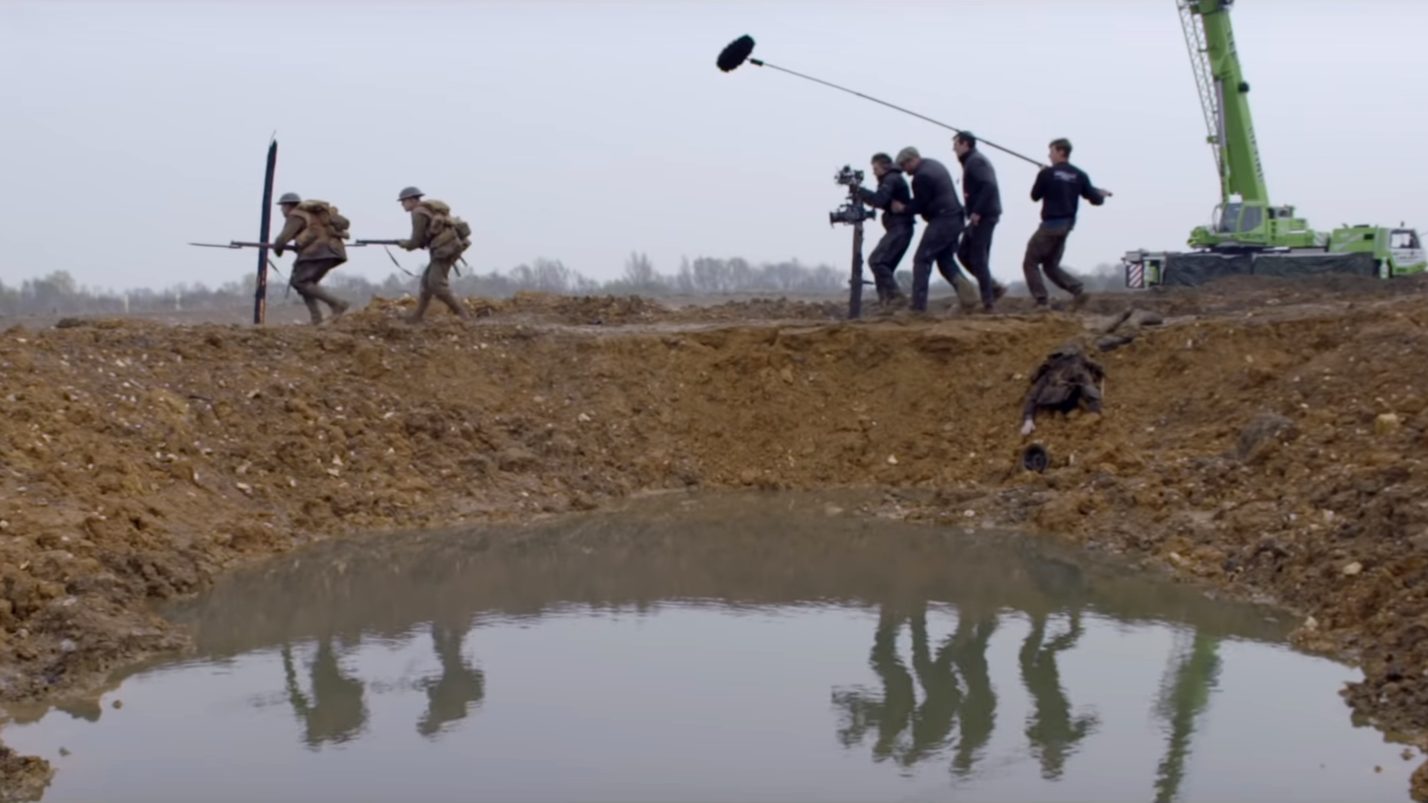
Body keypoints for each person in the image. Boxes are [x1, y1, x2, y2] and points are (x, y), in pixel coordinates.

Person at [1024, 138, 1112, 309]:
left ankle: (1041, 300)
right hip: (1066, 227)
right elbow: (1095, 200)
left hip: (1049, 226)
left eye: (1051, 151)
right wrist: (1100, 194)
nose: (1049, 155)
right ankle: (1077, 289)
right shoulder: (1079, 174)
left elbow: (1034, 196)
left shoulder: (1047, 174)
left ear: (1061, 152)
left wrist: (1041, 174)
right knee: (1050, 265)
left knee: (1030, 262)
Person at [890, 147, 979, 313]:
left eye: (904, 165)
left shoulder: (921, 177)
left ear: (912, 160)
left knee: (921, 260)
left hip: (943, 220)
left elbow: (920, 204)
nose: (904, 170)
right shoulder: (933, 164)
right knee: (945, 261)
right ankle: (970, 299)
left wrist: (902, 208)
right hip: (955, 218)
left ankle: (917, 307)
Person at [271, 192, 350, 325]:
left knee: (301, 283)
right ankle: (316, 318)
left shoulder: (296, 215)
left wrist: (277, 249)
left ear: (288, 206)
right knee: (305, 284)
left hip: (317, 252)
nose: (281, 210)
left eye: (282, 207)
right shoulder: (316, 216)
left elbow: (282, 239)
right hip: (334, 251)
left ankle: (338, 304)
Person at [396, 186, 472, 323]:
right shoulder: (426, 210)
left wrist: (404, 244)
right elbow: (425, 238)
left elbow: (416, 241)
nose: (402, 204)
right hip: (446, 248)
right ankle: (417, 317)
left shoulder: (418, 213)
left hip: (445, 250)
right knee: (426, 283)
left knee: (436, 284)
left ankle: (463, 315)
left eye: (404, 201)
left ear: (412, 200)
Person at [953, 133, 1008, 313]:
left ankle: (988, 302)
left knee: (978, 257)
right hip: (981, 214)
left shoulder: (976, 162)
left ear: (965, 144)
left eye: (956, 144)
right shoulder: (971, 161)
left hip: (985, 216)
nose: (954, 149)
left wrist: (977, 211)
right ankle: (992, 288)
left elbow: (989, 185)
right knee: (963, 253)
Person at [857, 153, 914, 307]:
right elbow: (882, 201)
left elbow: (878, 200)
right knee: (883, 265)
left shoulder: (891, 179)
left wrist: (859, 191)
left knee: (877, 261)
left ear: (884, 166)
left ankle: (896, 298)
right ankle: (886, 301)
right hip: (900, 228)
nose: (873, 172)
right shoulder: (891, 179)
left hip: (901, 228)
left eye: (875, 168)